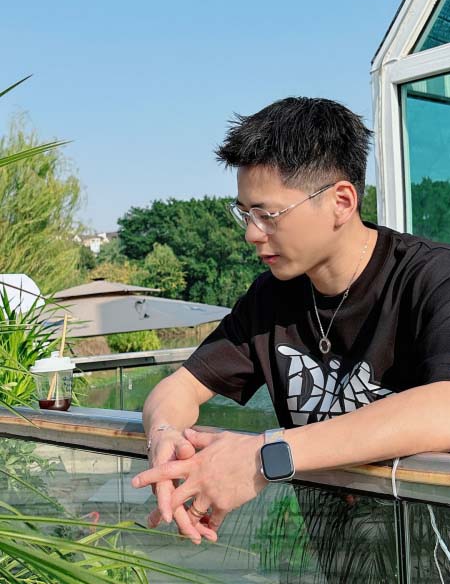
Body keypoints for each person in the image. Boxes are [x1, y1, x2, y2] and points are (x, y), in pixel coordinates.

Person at [132, 96, 450, 550]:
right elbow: (177, 389)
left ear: (341, 201)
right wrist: (164, 437)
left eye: (269, 215)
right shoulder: (271, 298)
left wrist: (264, 456)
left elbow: (444, 408)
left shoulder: (432, 278)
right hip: (340, 556)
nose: (251, 233)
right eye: (245, 214)